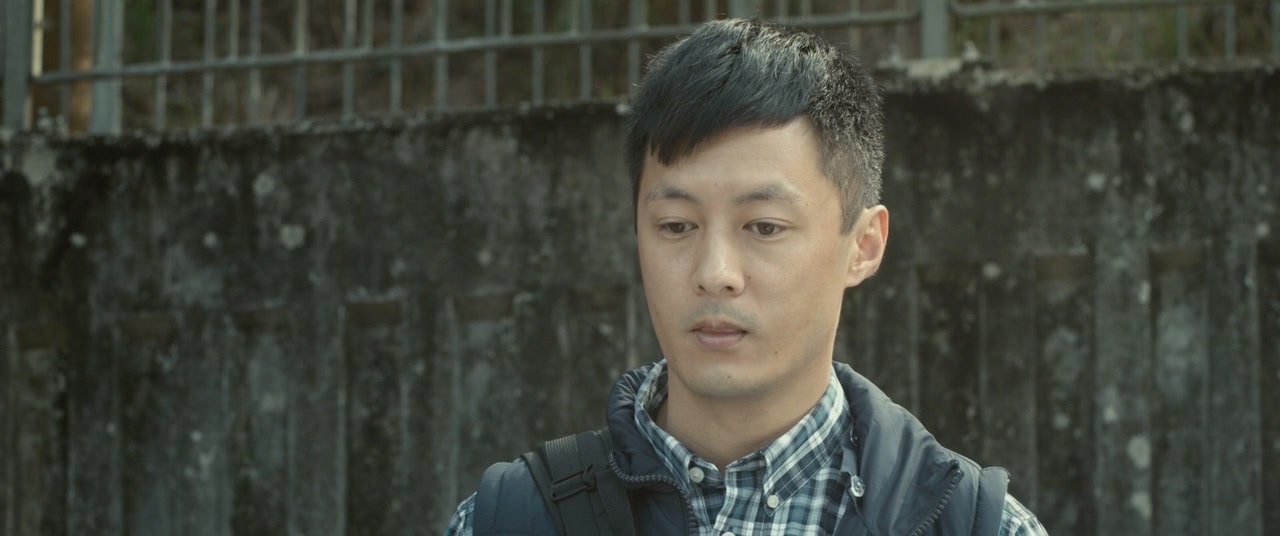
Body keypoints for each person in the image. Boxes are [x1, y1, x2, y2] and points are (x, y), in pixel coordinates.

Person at [445, 18, 1047, 535]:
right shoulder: (511, 518)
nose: (715, 274)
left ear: (863, 246)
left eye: (764, 227)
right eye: (676, 226)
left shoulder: (975, 524)